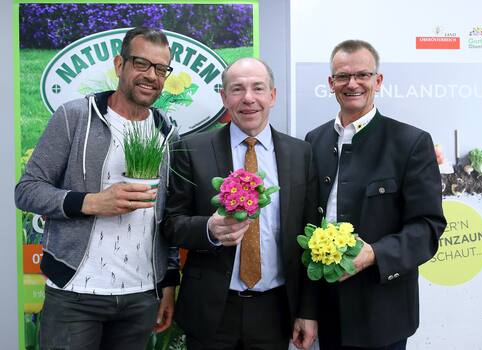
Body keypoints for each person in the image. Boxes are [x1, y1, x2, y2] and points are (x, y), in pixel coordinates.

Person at [15, 27, 180, 350]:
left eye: (161, 69)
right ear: (120, 65)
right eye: (141, 63)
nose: (151, 76)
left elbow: (170, 216)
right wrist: (91, 202)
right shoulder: (75, 117)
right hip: (75, 294)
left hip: (141, 296)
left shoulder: (167, 134)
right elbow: (26, 190)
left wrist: (168, 284)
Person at [162, 57, 318, 350]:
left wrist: (307, 311)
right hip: (211, 310)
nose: (248, 98)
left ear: (272, 95)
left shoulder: (301, 154)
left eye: (258, 88)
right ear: (224, 97)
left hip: (276, 310)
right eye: (237, 89)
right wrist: (209, 229)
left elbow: (310, 238)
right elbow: (171, 224)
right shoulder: (191, 149)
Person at [305, 40, 446, 349]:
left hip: (384, 314)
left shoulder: (410, 142)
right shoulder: (313, 141)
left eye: (362, 75)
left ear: (377, 81)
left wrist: (375, 254)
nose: (352, 83)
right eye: (342, 76)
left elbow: (427, 228)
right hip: (329, 312)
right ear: (331, 83)